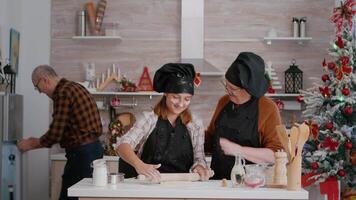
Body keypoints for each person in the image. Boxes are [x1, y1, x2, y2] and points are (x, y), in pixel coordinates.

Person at [17, 65, 103, 200]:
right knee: (86, 196)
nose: (39, 91)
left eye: (37, 87)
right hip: (94, 150)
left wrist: (32, 143)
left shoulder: (62, 93)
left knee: (70, 196)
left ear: (44, 80)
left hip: (82, 154)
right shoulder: (75, 87)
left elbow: (56, 133)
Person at [116, 63, 211, 182]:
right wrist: (139, 165)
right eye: (176, 97)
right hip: (149, 184)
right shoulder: (149, 119)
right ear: (166, 93)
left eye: (187, 99)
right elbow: (122, 145)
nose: (181, 104)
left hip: (183, 186)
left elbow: (199, 157)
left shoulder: (195, 123)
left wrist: (200, 167)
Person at [205, 52, 283, 180]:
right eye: (226, 86)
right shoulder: (224, 101)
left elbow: (275, 155)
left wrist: (239, 150)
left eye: (232, 88)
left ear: (249, 89)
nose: (228, 91)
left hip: (250, 185)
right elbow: (210, 138)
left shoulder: (267, 108)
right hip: (218, 183)